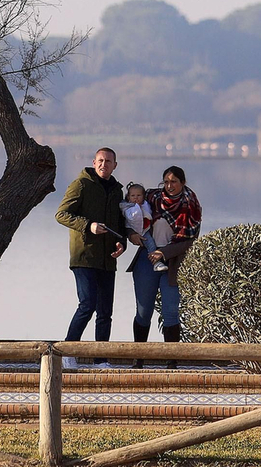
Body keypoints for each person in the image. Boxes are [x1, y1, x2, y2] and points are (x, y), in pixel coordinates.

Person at [55, 147, 127, 358]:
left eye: (108, 161)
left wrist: (121, 242)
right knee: (87, 305)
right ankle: (67, 355)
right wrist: (89, 225)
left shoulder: (116, 191)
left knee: (105, 313)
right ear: (94, 162)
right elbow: (61, 214)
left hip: (107, 259)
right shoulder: (81, 184)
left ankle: (101, 360)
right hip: (84, 257)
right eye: (101, 161)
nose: (104, 164)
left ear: (115, 165)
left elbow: (119, 223)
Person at [126, 165, 202, 351]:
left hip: (173, 262)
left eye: (174, 182)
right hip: (147, 258)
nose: (169, 186)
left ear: (183, 183)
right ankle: (139, 358)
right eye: (166, 182)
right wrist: (130, 234)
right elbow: (129, 216)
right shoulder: (152, 199)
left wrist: (164, 253)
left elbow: (190, 241)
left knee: (170, 312)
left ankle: (171, 361)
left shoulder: (191, 205)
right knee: (143, 313)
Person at [120, 183, 170, 273]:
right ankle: (156, 263)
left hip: (146, 228)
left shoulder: (146, 204)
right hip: (137, 231)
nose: (136, 198)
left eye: (139, 195)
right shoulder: (127, 207)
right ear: (128, 197)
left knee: (153, 241)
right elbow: (131, 218)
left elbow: (150, 214)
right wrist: (136, 209)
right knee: (151, 244)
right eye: (133, 196)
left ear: (143, 196)